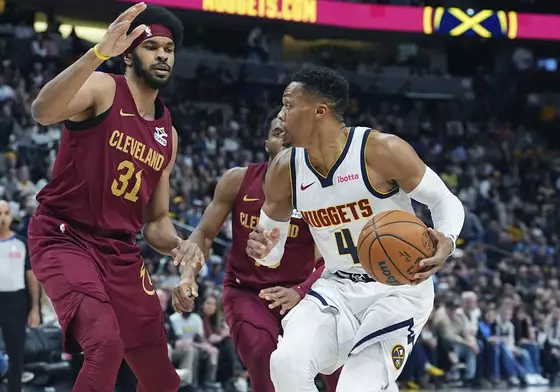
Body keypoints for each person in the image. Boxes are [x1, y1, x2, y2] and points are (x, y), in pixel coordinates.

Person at [246, 67, 465, 391]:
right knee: (285, 364)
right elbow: (271, 254)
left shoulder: (380, 150)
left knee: (356, 386)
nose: (281, 114)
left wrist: (446, 241)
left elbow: (445, 201)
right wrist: (263, 251)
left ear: (319, 111)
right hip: (336, 288)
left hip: (398, 288)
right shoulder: (284, 169)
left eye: (289, 104)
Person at [27, 3, 203, 391]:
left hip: (120, 252)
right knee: (105, 343)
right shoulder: (104, 87)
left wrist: (178, 245)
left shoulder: (167, 134)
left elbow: (155, 222)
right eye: (151, 46)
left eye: (168, 49)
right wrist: (97, 53)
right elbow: (42, 110)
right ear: (128, 54)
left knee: (163, 379)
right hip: (65, 236)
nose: (161, 55)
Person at [175, 110, 340, 391]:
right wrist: (188, 276)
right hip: (247, 292)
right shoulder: (238, 180)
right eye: (278, 133)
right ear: (267, 144)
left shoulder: (324, 194)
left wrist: (300, 292)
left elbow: (333, 259)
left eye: (293, 135)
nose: (286, 139)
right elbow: (204, 233)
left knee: (340, 370)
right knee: (265, 365)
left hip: (302, 294)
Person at [0, 200, 40, 392]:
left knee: (16, 353)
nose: (3, 218)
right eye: (0, 213)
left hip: (16, 302)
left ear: (11, 216)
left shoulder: (22, 244)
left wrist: (35, 309)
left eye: (6, 213)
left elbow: (32, 278)